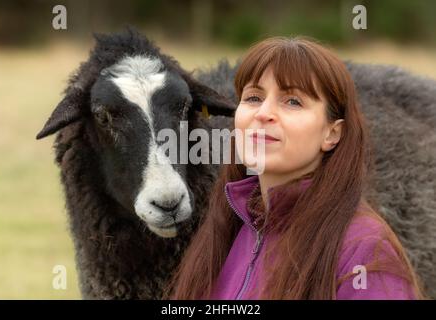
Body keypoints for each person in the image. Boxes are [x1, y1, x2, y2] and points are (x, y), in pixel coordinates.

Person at [165, 37, 424, 299]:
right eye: (253, 97)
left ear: (332, 134)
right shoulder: (231, 229)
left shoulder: (364, 251)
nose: (263, 113)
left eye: (293, 102)